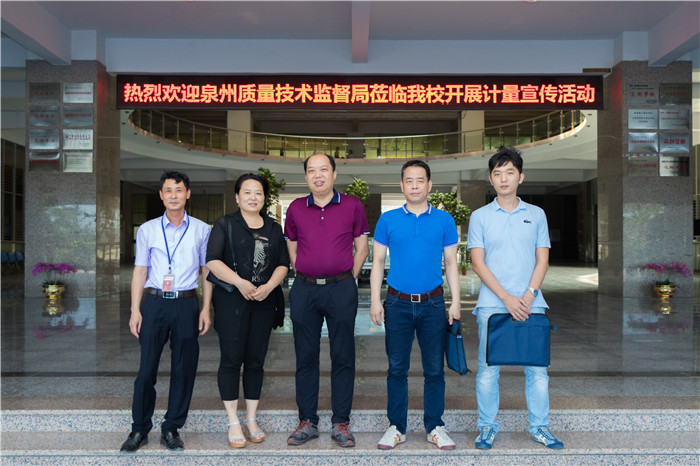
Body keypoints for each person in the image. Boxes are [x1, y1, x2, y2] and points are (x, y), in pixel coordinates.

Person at [467, 147, 563, 450]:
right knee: (488, 371)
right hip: (492, 305)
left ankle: (540, 427)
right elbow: (478, 263)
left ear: (521, 177)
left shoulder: (536, 214)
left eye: (509, 172)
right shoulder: (480, 216)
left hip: (532, 304)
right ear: (491, 179)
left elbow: (542, 260)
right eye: (497, 173)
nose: (503, 178)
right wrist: (507, 298)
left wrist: (528, 295)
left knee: (537, 371)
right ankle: (487, 427)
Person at [369, 159, 461, 451]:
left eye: (420, 180)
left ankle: (435, 427)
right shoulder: (388, 220)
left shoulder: (444, 220)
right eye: (409, 181)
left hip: (433, 304)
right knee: (397, 368)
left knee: (434, 369)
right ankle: (396, 427)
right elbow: (378, 262)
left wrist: (455, 302)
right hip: (397, 303)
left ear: (429, 185)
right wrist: (375, 300)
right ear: (402, 185)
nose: (415, 186)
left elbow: (451, 263)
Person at [120, 171, 213, 453]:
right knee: (146, 369)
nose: (174, 195)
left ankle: (172, 427)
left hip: (186, 302)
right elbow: (140, 270)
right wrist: (135, 310)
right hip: (155, 302)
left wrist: (205, 308)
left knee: (184, 369)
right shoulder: (147, 229)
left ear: (188, 194)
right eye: (168, 190)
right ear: (161, 195)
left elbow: (206, 271)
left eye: (179, 190)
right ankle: (139, 428)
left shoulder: (201, 230)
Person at [284, 153, 369, 448]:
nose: (317, 175)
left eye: (323, 169)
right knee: (305, 355)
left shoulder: (352, 205)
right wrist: (306, 272)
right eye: (311, 170)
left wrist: (347, 278)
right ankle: (307, 420)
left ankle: (340, 422)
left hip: (340, 288)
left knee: (343, 355)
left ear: (334, 174)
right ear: (306, 176)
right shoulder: (296, 208)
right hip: (305, 289)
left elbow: (362, 248)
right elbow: (292, 248)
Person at [205, 173, 290, 449]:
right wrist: (240, 283)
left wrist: (269, 287)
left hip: (263, 302)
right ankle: (233, 420)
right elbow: (212, 261)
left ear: (264, 198)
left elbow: (283, 263)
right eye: (247, 192)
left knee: (255, 360)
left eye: (258, 193)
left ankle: (251, 419)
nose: (253, 197)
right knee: (231, 359)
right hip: (232, 302)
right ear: (237, 197)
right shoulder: (225, 224)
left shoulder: (274, 228)